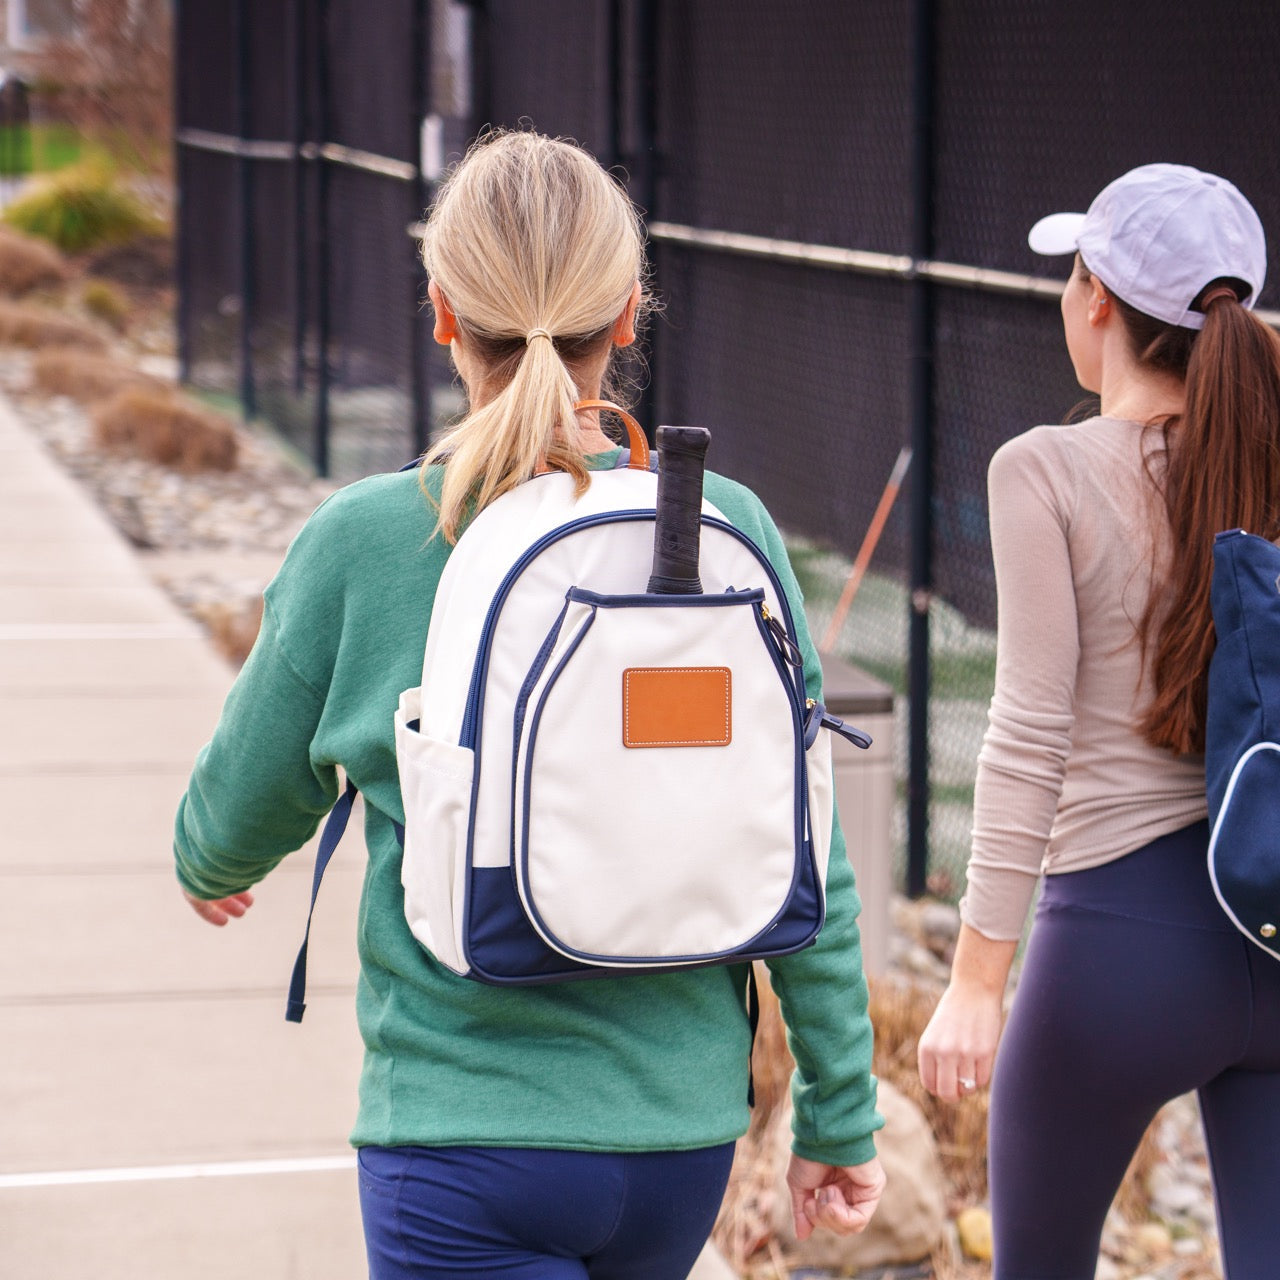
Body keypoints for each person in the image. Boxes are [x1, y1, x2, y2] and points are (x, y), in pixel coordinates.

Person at [174, 130, 884, 1280]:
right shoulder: (724, 531)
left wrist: (210, 864)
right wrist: (839, 1117)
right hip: (678, 1144)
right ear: (628, 311)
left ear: (443, 312)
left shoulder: (366, 541)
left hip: (462, 1143)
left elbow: (237, 803)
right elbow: (811, 851)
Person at [917, 162, 1280, 1279]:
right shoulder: (1268, 461)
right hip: (1267, 913)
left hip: (1114, 948)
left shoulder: (1045, 470)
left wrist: (976, 981)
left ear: (1094, 303)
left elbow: (1024, 731)